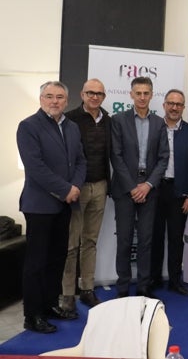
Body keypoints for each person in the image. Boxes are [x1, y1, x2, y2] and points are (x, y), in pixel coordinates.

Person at [17, 81, 86, 333]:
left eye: (59, 97)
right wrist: (65, 189)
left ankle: (49, 305)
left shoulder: (72, 127)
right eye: (49, 96)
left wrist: (75, 186)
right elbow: (35, 167)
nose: (54, 101)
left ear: (66, 101)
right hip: (40, 205)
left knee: (57, 259)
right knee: (36, 262)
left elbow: (80, 160)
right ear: (41, 99)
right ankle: (32, 315)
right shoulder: (28, 127)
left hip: (65, 204)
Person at [110, 76, 169, 298]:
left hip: (150, 189)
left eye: (146, 93)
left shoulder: (158, 123)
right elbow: (115, 156)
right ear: (131, 95)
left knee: (146, 240)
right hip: (125, 190)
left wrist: (147, 185)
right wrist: (132, 187)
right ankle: (123, 287)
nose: (142, 97)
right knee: (124, 240)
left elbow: (164, 157)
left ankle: (144, 286)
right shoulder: (118, 120)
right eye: (138, 93)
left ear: (152, 95)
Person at [59, 79, 111, 315]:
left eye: (99, 93)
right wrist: (70, 186)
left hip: (100, 186)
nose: (95, 97)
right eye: (90, 92)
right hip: (76, 189)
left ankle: (87, 288)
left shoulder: (108, 120)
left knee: (90, 242)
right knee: (71, 245)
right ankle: (68, 294)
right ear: (82, 94)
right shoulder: (69, 119)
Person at [150, 89, 188, 296]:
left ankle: (174, 280)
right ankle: (153, 279)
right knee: (153, 237)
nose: (174, 107)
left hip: (179, 192)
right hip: (154, 190)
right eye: (170, 103)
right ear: (164, 105)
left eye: (178, 104)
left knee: (175, 238)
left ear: (183, 107)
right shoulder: (153, 128)